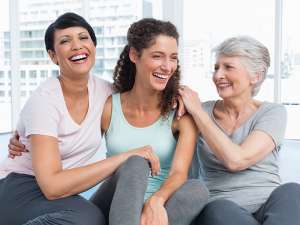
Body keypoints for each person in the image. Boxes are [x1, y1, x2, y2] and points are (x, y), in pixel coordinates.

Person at [2, 13, 208, 225]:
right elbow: (52, 184)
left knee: (196, 189)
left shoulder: (105, 93)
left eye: (83, 38)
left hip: (148, 205)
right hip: (30, 187)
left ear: (94, 46)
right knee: (133, 165)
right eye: (65, 41)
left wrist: (180, 94)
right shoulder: (89, 103)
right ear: (53, 56)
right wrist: (22, 134)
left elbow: (179, 171)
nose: (76, 46)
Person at [178, 36, 300, 225]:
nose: (218, 75)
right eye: (216, 67)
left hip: (269, 204)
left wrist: (197, 112)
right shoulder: (200, 110)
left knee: (293, 191)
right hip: (222, 209)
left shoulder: (273, 112)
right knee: (219, 209)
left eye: (228, 67)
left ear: (256, 76)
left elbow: (237, 160)